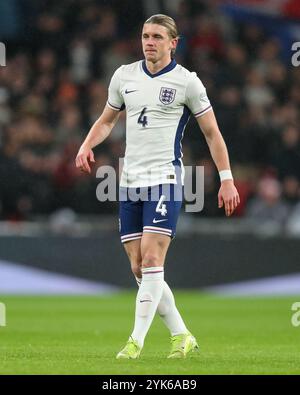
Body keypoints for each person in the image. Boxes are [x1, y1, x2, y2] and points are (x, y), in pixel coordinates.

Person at [75, 14, 240, 359]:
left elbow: (212, 133)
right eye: (145, 36)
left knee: (152, 258)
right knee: (140, 268)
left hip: (166, 180)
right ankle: (182, 335)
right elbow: (107, 120)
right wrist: (87, 144)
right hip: (129, 182)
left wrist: (226, 180)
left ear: (173, 43)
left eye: (156, 37)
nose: (149, 42)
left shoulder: (187, 82)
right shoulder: (124, 76)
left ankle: (135, 341)